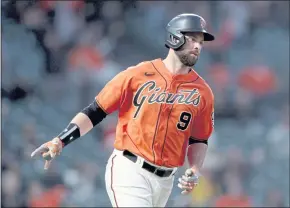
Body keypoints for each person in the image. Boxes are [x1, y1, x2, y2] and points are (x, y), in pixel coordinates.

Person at [31, 13, 215, 207]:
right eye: (193, 39)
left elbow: (199, 139)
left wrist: (194, 169)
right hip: (130, 170)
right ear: (175, 37)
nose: (197, 47)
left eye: (201, 42)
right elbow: (96, 111)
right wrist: (61, 140)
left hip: (165, 181)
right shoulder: (137, 75)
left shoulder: (203, 92)